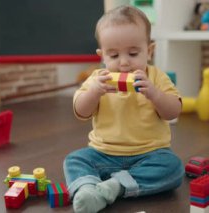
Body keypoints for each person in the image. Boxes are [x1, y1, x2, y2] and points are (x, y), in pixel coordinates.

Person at [63, 5, 184, 213]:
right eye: (113, 56)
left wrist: (154, 94)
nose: (124, 63)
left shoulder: (156, 78)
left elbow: (173, 111)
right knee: (74, 160)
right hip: (103, 154)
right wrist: (94, 92)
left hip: (149, 154)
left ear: (149, 51)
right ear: (102, 56)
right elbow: (81, 111)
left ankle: (114, 187)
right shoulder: (97, 79)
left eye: (133, 53)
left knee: (173, 167)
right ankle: (87, 190)